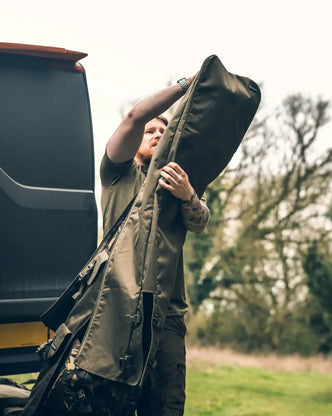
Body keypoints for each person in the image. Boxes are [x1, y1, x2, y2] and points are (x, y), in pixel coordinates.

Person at [99, 76, 210, 416]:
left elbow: (200, 221)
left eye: (164, 132)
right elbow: (134, 117)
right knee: (109, 405)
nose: (158, 135)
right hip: (115, 310)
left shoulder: (180, 181)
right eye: (151, 132)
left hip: (167, 315)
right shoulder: (117, 172)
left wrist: (188, 194)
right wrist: (185, 86)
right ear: (135, 143)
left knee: (166, 407)